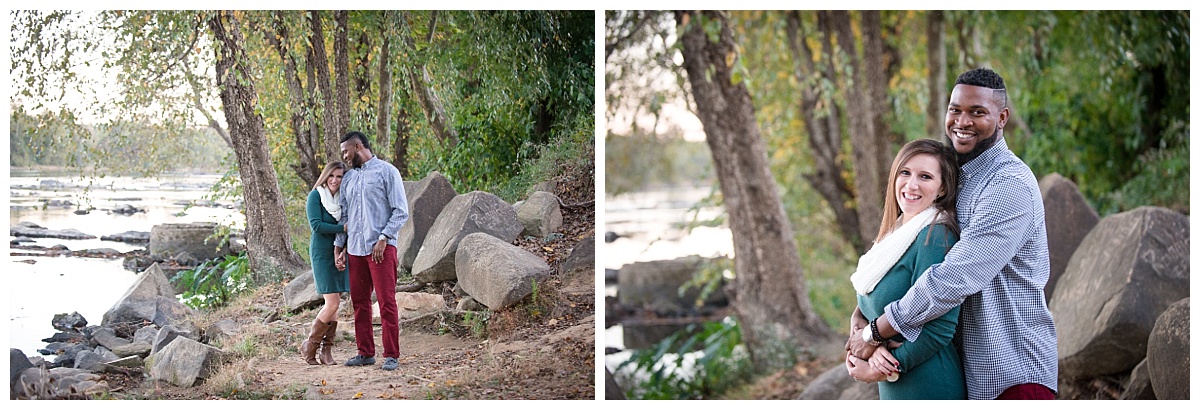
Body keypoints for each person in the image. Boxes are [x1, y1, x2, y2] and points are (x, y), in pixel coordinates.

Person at [847, 68, 1058, 400]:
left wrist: (875, 333)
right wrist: (860, 325)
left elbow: (953, 278)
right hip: (970, 374)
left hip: (1012, 373)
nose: (963, 121)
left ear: (1002, 117)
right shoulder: (957, 179)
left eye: (977, 112)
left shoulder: (1008, 185)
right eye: (955, 109)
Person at [844, 139, 965, 399]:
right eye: (905, 172)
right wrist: (863, 337)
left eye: (925, 176)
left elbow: (940, 328)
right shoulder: (896, 233)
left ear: (942, 188)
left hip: (928, 383)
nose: (912, 185)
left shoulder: (935, 236)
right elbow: (872, 298)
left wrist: (882, 366)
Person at [333, 131, 409, 372]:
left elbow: (400, 211)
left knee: (386, 302)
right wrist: (340, 247)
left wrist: (384, 237)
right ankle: (365, 353)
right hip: (355, 249)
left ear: (357, 147)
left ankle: (391, 355)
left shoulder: (387, 172)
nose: (344, 156)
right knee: (360, 303)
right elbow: (345, 216)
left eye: (346, 151)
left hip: (381, 250)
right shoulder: (349, 179)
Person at [301, 161, 351, 365]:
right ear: (325, 176)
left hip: (339, 252)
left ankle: (326, 352)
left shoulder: (344, 199)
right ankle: (310, 345)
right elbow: (316, 226)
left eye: (339, 177)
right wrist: (343, 228)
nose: (335, 180)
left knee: (335, 305)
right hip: (322, 253)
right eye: (332, 175)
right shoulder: (316, 196)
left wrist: (343, 250)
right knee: (333, 303)